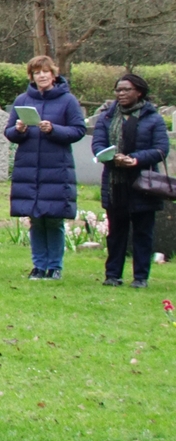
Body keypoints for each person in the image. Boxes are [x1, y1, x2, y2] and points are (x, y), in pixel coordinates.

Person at [5, 55, 87, 281]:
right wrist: (19, 130)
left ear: (53, 74)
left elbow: (78, 130)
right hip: (28, 168)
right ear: (31, 76)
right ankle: (39, 266)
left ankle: (55, 266)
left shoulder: (68, 100)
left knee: (53, 218)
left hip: (56, 167)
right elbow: (9, 132)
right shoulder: (22, 100)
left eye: (45, 72)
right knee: (35, 219)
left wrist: (53, 129)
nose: (41, 76)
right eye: (36, 72)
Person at [90, 73, 168, 288]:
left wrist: (135, 159)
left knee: (143, 232)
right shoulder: (107, 118)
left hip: (143, 183)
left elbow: (161, 149)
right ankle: (112, 275)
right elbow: (98, 145)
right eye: (118, 90)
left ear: (139, 92)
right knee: (116, 232)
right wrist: (112, 157)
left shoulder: (153, 118)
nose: (121, 93)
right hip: (115, 183)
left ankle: (140, 277)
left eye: (126, 90)